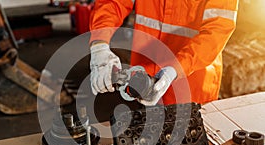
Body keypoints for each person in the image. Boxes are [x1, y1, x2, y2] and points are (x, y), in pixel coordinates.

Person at [88, 0, 239, 106]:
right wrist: (99, 44)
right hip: (144, 79)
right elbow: (112, 3)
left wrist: (176, 69)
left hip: (191, 85)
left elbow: (217, 30)